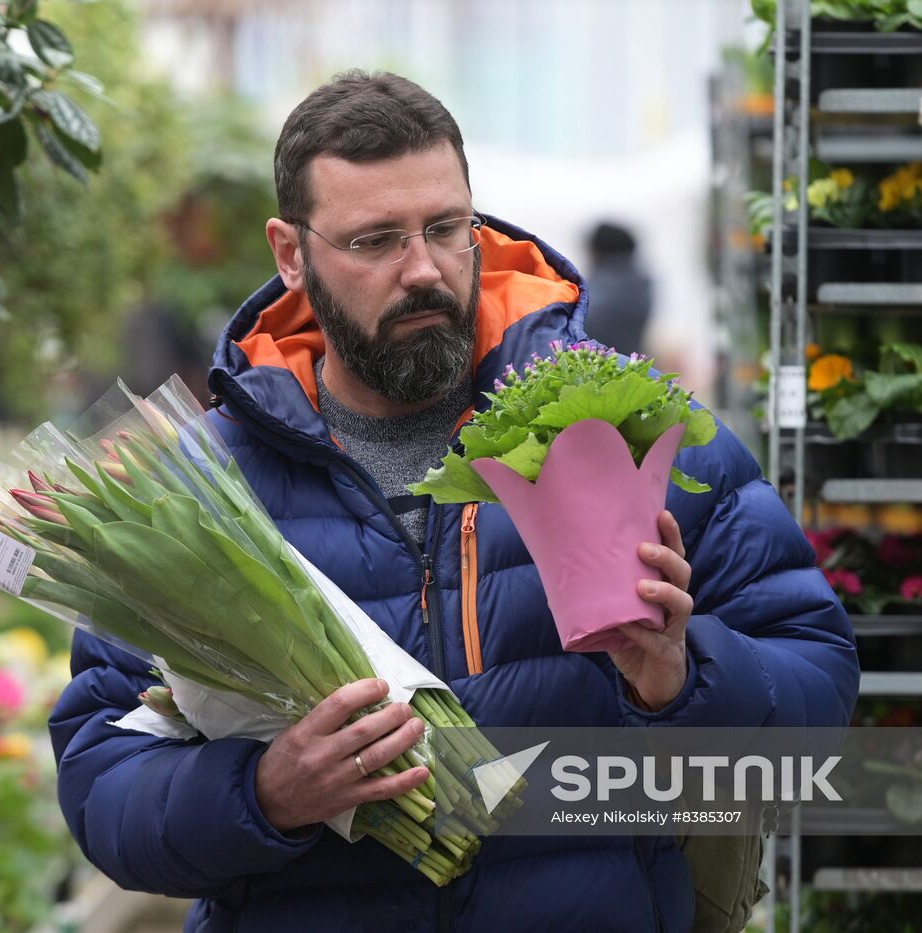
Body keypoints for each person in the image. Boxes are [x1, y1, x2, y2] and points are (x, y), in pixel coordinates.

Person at [49, 70, 859, 933]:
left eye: (445, 228)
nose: (424, 270)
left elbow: (817, 700)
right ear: (291, 253)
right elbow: (104, 784)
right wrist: (265, 791)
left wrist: (682, 678)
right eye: (375, 242)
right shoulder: (195, 491)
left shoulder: (624, 427)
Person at [583, 221, 654, 356]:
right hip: (631, 366)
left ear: (596, 252)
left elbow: (578, 327)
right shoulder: (640, 284)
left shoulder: (603, 290)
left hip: (601, 368)